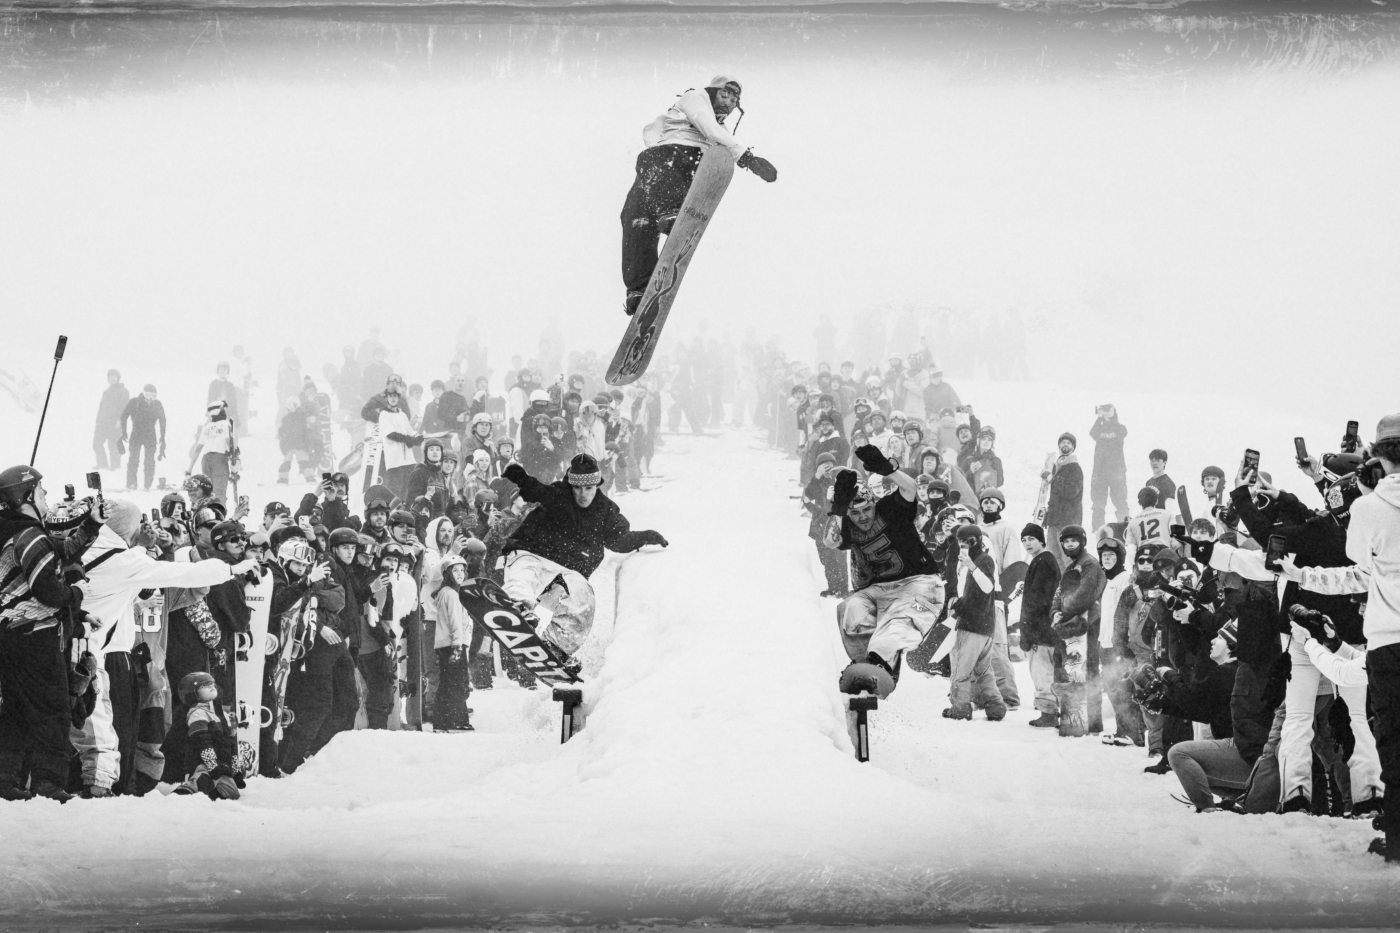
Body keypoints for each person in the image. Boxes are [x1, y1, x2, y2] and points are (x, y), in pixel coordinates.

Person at [73, 500, 256, 797]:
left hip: (112, 656)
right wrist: (229, 568)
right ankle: (102, 788)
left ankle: (121, 785)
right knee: (102, 727)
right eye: (138, 525)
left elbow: (188, 588)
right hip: (100, 653)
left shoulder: (92, 551)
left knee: (119, 727)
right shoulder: (122, 562)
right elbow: (175, 574)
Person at [620, 75, 776, 315]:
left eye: (734, 100)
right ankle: (639, 287)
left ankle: (672, 211)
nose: (729, 103)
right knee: (635, 216)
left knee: (658, 159)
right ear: (712, 92)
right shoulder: (694, 97)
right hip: (663, 168)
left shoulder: (720, 131)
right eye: (725, 95)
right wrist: (747, 158)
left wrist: (748, 160)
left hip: (684, 167)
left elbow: (713, 132)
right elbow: (704, 122)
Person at [497, 454, 667, 666]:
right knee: (526, 571)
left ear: (597, 485)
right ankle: (517, 604)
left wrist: (645, 536)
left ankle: (556, 644)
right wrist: (521, 477)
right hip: (532, 551)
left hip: (567, 571)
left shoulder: (605, 510)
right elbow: (537, 490)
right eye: (577, 488)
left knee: (583, 598)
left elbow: (618, 540)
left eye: (588, 488)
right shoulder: (559, 494)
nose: (582, 494)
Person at [0, 465, 105, 802]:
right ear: (25, 496)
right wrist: (77, 593)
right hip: (35, 638)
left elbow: (60, 552)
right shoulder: (31, 536)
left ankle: (5, 782)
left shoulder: (17, 532)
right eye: (40, 491)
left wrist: (91, 525)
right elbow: (49, 591)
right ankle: (48, 784)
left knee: (16, 712)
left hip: (12, 636)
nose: (46, 496)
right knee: (54, 711)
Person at [825, 444, 945, 697]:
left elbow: (910, 489)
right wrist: (838, 509)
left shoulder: (889, 509)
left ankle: (882, 662)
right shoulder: (847, 523)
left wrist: (888, 469)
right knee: (850, 608)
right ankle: (865, 666)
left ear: (873, 503)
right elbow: (831, 541)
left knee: (896, 625)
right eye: (855, 513)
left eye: (866, 509)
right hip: (879, 589)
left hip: (918, 582)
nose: (863, 517)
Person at [1344, 413, 1400, 859]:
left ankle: (1398, 837)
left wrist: (1367, 495)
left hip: (1388, 639)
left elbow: (1357, 558)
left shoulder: (1368, 507)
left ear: (1378, 455)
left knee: (1394, 739)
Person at [944, 524, 1004, 720]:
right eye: (960, 541)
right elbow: (977, 593)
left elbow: (988, 587)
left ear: (977, 540)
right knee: (983, 671)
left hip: (972, 625)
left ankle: (960, 708)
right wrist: (962, 602)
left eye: (968, 541)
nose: (964, 545)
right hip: (986, 625)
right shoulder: (975, 561)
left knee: (961, 669)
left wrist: (971, 566)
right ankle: (995, 706)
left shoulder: (982, 560)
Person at [1019, 523, 1062, 728]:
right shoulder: (1043, 560)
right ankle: (1051, 710)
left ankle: (1048, 713)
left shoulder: (1043, 561)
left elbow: (1036, 600)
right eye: (1024, 540)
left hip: (1040, 631)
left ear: (1041, 540)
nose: (1027, 543)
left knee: (1042, 671)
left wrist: (1028, 631)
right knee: (1047, 671)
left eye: (1031, 539)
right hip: (1046, 628)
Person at [1043, 432, 1084, 563]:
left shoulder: (1074, 468)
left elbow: (1071, 491)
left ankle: (1072, 577)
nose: (1065, 444)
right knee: (1053, 557)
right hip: (1054, 520)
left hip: (1068, 520)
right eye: (1063, 442)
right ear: (1059, 446)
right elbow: (1055, 496)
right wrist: (1048, 511)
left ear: (1073, 447)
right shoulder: (1056, 466)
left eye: (1068, 443)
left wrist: (1052, 479)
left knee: (1069, 558)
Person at [187, 400, 238, 504]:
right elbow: (230, 444)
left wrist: (190, 468)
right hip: (219, 459)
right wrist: (235, 462)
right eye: (223, 410)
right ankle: (219, 512)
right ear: (219, 411)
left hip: (205, 460)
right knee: (219, 493)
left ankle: (209, 512)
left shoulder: (206, 428)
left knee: (208, 493)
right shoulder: (225, 424)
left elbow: (198, 449)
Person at [120, 384, 167, 493]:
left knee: (149, 460)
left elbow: (163, 421)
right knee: (133, 459)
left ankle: (147, 484)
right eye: (148, 395)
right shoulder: (135, 402)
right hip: (136, 433)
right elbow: (124, 416)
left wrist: (162, 437)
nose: (150, 398)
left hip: (150, 435)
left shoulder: (157, 404)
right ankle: (131, 483)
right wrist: (123, 431)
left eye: (153, 396)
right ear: (143, 393)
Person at [1089, 405, 1129, 529]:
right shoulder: (1099, 428)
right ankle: (1098, 531)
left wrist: (1112, 417)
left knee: (1121, 502)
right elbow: (1092, 433)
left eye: (1108, 410)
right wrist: (1100, 418)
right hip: (1100, 471)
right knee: (1098, 504)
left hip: (1117, 471)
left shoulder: (1119, 428)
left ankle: (1125, 529)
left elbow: (1123, 432)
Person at [93, 369, 129, 473]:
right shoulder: (106, 392)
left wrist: (120, 420)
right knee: (97, 443)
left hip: (115, 423)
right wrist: (98, 421)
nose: (112, 378)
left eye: (114, 377)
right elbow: (101, 407)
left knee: (113, 445)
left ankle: (115, 467)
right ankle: (102, 464)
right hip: (103, 423)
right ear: (108, 379)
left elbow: (125, 408)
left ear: (118, 379)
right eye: (110, 377)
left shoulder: (123, 391)